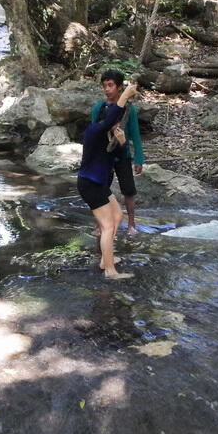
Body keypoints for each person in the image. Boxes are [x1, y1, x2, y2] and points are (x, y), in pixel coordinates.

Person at [79, 79, 139, 279]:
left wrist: (121, 143)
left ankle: (107, 259)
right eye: (114, 123)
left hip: (98, 184)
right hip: (89, 183)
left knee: (117, 217)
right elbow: (113, 115)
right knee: (108, 225)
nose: (117, 125)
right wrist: (125, 95)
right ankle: (110, 271)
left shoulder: (108, 137)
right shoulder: (94, 131)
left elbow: (117, 158)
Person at [91, 69, 145, 234]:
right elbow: (92, 134)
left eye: (111, 85)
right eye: (105, 86)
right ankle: (100, 224)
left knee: (128, 190)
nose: (107, 89)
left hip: (122, 154)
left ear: (120, 87)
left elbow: (135, 134)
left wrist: (139, 158)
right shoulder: (99, 108)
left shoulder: (129, 110)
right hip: (103, 156)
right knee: (101, 189)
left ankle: (131, 224)